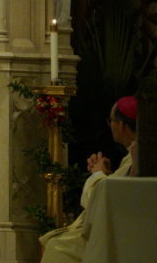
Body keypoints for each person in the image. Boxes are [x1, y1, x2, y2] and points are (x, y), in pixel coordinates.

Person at [40, 96, 138, 263]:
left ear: (121, 125)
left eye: (111, 121)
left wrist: (97, 174)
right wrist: (104, 173)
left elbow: (100, 202)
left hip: (116, 235)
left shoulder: (137, 156)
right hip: (116, 229)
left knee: (56, 247)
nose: (111, 126)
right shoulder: (132, 155)